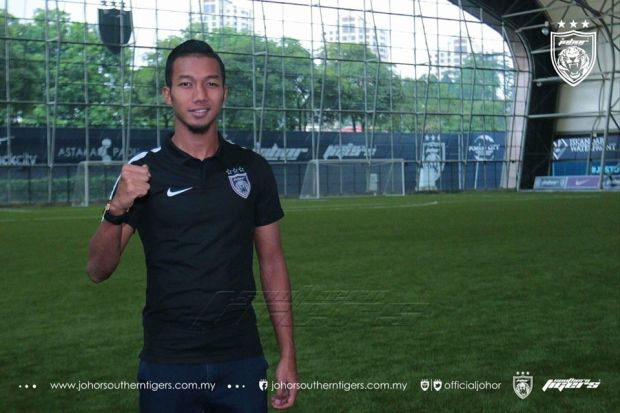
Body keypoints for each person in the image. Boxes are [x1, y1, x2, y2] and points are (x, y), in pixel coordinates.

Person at [86, 39, 298, 413]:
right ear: (168, 95)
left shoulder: (253, 168)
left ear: (224, 92)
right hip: (168, 362)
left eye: (210, 83)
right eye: (186, 84)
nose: (199, 95)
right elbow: (97, 270)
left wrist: (288, 354)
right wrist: (116, 208)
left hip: (241, 358)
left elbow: (272, 262)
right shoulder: (144, 171)